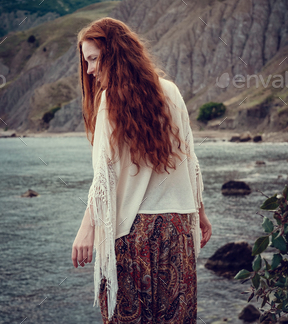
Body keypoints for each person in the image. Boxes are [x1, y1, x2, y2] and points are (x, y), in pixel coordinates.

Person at [71, 17, 213, 323]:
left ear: (114, 54)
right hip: (177, 231)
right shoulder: (171, 92)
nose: (90, 70)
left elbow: (104, 177)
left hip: (132, 233)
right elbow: (191, 159)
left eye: (94, 59)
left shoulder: (109, 102)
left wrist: (86, 230)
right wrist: (199, 213)